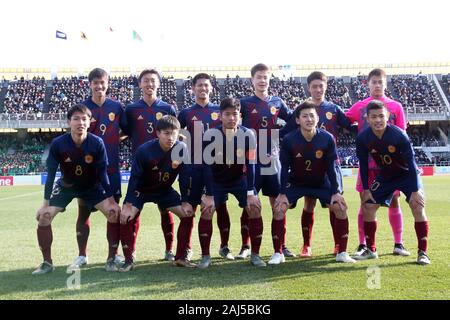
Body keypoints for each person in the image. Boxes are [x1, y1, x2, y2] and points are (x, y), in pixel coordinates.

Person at [32, 104, 121, 275]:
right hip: (67, 186)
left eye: (84, 119)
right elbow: (50, 174)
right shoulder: (58, 143)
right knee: (44, 216)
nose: (80, 122)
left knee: (113, 212)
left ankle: (110, 259)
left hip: (92, 186)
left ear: (89, 122)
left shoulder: (97, 143)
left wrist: (111, 200)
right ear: (68, 122)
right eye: (76, 119)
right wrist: (45, 203)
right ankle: (47, 263)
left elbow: (103, 173)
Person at [280, 71, 357, 257]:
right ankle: (306, 245)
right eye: (314, 86)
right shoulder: (302, 109)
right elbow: (286, 131)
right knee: (309, 204)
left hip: (329, 164)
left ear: (326, 87)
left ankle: (339, 245)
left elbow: (349, 126)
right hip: (305, 165)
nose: (317, 89)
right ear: (309, 88)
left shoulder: (333, 108)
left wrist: (365, 126)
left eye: (320, 86)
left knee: (334, 202)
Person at [355, 100, 430, 265]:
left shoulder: (398, 135)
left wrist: (416, 190)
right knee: (368, 205)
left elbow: (411, 163)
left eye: (381, 116)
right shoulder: (363, 138)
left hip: (407, 174)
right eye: (373, 117)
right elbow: (364, 164)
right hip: (386, 175)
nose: (378, 120)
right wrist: (366, 188)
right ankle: (371, 249)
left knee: (417, 206)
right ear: (367, 118)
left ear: (387, 116)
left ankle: (422, 252)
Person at [346, 68, 410, 257]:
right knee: (365, 202)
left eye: (380, 82)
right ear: (368, 84)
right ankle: (363, 244)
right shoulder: (359, 106)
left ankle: (398, 243)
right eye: (374, 82)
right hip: (367, 163)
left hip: (391, 165)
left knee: (395, 202)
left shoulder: (396, 107)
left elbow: (402, 136)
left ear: (385, 84)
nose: (377, 85)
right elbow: (344, 120)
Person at [68, 68, 126, 273]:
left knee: (114, 211)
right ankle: (82, 255)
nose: (99, 86)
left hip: (112, 170)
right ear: (90, 84)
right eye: (95, 83)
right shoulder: (83, 108)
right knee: (83, 211)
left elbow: (127, 130)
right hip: (88, 172)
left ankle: (113, 255)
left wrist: (112, 141)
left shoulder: (117, 106)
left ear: (107, 83)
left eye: (102, 82)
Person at [119, 115, 197, 270]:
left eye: (174, 133)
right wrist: (128, 203)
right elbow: (134, 178)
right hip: (141, 190)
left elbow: (185, 176)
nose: (170, 137)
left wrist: (186, 200)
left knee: (188, 214)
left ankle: (181, 257)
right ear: (158, 133)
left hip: (164, 190)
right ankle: (129, 260)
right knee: (126, 217)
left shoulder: (181, 149)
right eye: (166, 133)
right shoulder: (144, 150)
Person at [238, 63, 294, 262]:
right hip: (250, 160)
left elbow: (294, 120)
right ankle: (246, 246)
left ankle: (281, 245)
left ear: (269, 79)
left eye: (265, 77)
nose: (262, 80)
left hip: (272, 159)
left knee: (277, 203)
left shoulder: (277, 102)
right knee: (249, 203)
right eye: (259, 77)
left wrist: (280, 135)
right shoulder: (244, 103)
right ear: (252, 80)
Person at [200, 97, 265, 267]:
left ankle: (255, 254)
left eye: (234, 114)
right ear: (219, 116)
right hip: (217, 181)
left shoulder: (248, 134)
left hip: (239, 179)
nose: (231, 118)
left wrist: (251, 192)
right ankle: (207, 256)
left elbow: (251, 164)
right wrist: (208, 194)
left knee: (255, 208)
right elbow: (206, 167)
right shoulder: (209, 135)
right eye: (227, 114)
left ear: (240, 116)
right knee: (207, 209)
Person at [123, 69, 178, 262]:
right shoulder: (130, 110)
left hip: (164, 168)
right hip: (141, 168)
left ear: (158, 84)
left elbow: (175, 133)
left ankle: (169, 250)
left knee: (165, 209)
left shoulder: (168, 108)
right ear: (140, 84)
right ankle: (132, 252)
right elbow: (124, 133)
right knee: (134, 211)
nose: (149, 84)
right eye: (145, 81)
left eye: (153, 81)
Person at [178, 73, 234, 261]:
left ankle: (224, 246)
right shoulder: (185, 113)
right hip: (193, 168)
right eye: (199, 85)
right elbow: (178, 138)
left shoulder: (221, 111)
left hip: (217, 168)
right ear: (193, 88)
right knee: (190, 208)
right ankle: (186, 248)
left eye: (206, 85)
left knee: (221, 207)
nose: (203, 88)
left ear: (211, 88)